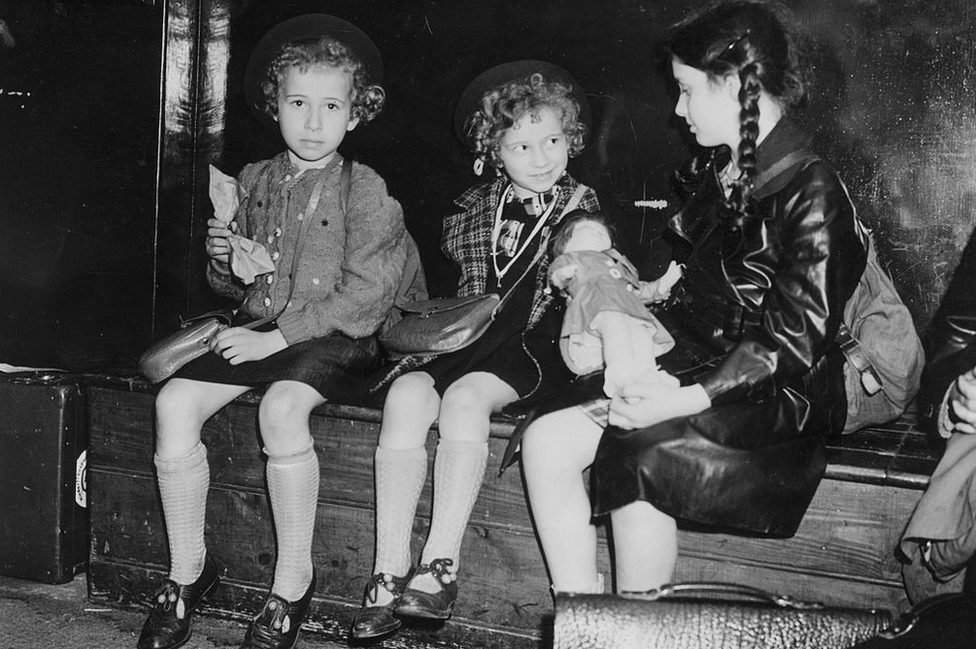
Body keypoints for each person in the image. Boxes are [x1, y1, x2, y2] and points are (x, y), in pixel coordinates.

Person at [520, 0, 869, 596]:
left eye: (685, 91)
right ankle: (585, 619)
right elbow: (698, 277)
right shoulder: (721, 168)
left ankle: (635, 625)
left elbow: (792, 341)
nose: (677, 111)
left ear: (733, 85)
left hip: (771, 386)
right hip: (696, 354)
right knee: (545, 441)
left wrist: (679, 398)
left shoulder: (812, 189)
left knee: (639, 448)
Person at [137, 15, 409, 649]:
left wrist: (275, 338)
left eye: (331, 106)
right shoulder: (254, 179)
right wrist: (229, 263)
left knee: (284, 410)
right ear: (274, 105)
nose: (314, 123)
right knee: (173, 401)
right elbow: (236, 292)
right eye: (297, 103)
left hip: (338, 338)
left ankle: (291, 584)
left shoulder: (366, 191)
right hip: (261, 330)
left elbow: (368, 300)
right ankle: (188, 574)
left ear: (356, 113)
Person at [349, 60, 600, 640]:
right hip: (468, 340)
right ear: (493, 152)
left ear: (571, 139)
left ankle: (440, 568)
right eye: (521, 146)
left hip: (535, 347)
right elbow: (446, 297)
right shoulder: (469, 210)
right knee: (408, 394)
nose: (542, 158)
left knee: (462, 401)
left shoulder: (582, 210)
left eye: (553, 140)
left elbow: (591, 285)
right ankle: (388, 570)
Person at [548, 209, 681, 400]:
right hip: (596, 311)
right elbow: (556, 274)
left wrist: (664, 282)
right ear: (566, 244)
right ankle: (620, 375)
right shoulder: (574, 259)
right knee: (614, 324)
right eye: (587, 228)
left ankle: (648, 376)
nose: (598, 231)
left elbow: (638, 292)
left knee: (642, 333)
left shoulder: (619, 268)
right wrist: (562, 274)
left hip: (629, 311)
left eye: (602, 231)